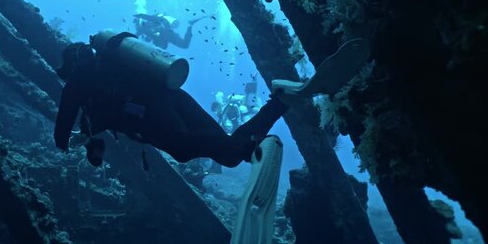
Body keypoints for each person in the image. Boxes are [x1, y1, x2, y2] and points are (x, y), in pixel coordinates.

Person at [54, 33, 368, 168]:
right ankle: (280, 100)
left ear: (71, 68)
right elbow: (102, 122)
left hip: (154, 113)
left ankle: (268, 119)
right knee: (228, 151)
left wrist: (62, 143)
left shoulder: (80, 84)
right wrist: (89, 137)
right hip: (173, 95)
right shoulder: (108, 68)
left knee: (189, 149)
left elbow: (66, 121)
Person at [132, 13, 205, 49]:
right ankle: (190, 25)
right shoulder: (144, 28)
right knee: (184, 45)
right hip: (167, 35)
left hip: (165, 33)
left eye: (136, 25)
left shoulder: (144, 26)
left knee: (184, 45)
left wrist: (139, 15)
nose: (136, 27)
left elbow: (149, 18)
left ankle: (190, 25)